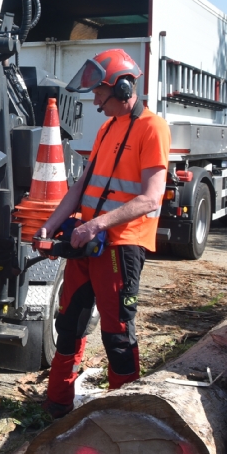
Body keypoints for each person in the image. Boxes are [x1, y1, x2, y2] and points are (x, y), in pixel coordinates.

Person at [35, 49, 171, 418]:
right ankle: (57, 405)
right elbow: (81, 186)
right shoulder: (108, 127)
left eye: (100, 93)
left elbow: (151, 198)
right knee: (69, 324)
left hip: (120, 246)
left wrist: (96, 224)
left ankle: (123, 416)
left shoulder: (153, 128)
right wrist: (51, 223)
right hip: (86, 242)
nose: (95, 101)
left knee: (117, 334)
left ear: (124, 88)